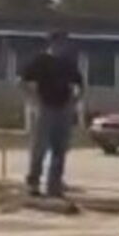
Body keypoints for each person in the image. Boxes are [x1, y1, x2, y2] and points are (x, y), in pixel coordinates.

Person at [19, 30, 84, 197]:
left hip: (63, 108)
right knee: (39, 147)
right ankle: (33, 183)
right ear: (53, 43)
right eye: (61, 42)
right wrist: (34, 101)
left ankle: (54, 185)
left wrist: (74, 100)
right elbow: (23, 82)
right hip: (45, 107)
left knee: (60, 149)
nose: (64, 46)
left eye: (66, 43)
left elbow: (79, 84)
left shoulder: (68, 63)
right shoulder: (41, 61)